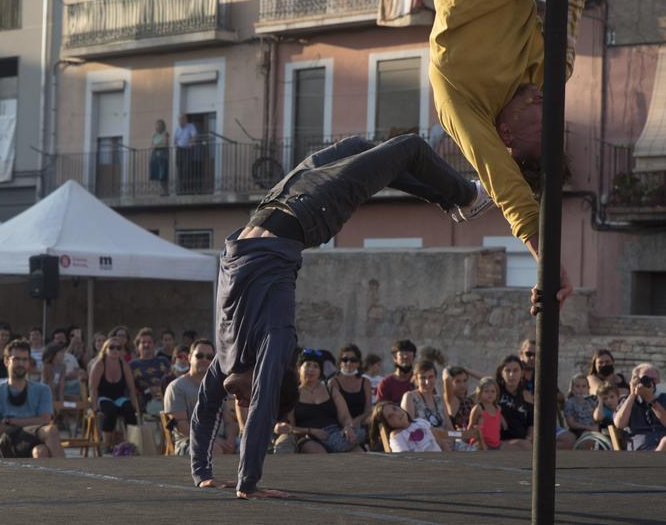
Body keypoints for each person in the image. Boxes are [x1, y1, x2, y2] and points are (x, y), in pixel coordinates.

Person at [191, 132, 489, 499]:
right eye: (244, 401)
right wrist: (248, 483)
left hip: (278, 197)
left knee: (363, 146)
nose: (236, 401)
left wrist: (202, 473)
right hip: (311, 210)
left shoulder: (225, 356)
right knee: (409, 147)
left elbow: (205, 410)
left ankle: (452, 200)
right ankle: (468, 198)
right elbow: (264, 406)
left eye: (241, 400)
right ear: (264, 384)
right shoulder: (276, 336)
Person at [431, 0, 604, 312]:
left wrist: (549, 265)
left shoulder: (459, 105)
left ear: (507, 136)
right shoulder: (552, 71)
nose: (551, 105)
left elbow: (511, 196)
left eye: (543, 124)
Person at [0, 339, 62, 458]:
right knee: (50, 431)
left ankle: (64, 475)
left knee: (42, 451)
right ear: (6, 361)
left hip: (34, 439)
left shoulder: (42, 390)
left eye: (25, 359)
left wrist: (13, 421)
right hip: (8, 442)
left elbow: (45, 420)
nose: (21, 364)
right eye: (16, 359)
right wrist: (30, 423)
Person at [274, 349, 359, 455]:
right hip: (307, 437)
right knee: (319, 453)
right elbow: (290, 428)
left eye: (316, 366)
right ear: (298, 369)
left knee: (359, 453)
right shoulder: (293, 394)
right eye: (308, 365)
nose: (311, 369)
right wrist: (311, 431)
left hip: (335, 434)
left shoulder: (330, 389)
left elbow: (345, 417)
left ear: (320, 371)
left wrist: (348, 427)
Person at [165, 339, 232, 457]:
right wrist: (213, 440)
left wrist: (230, 441)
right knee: (213, 449)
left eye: (209, 357)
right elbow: (182, 426)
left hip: (220, 439)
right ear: (189, 357)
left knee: (251, 446)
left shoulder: (219, 387)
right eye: (199, 356)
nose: (204, 360)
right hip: (188, 442)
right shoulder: (176, 387)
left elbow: (229, 422)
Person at [613, 363, 666, 452]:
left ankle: (655, 460)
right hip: (641, 453)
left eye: (654, 379)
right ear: (635, 381)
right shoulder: (626, 401)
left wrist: (652, 400)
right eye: (645, 379)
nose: (650, 382)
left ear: (659, 381)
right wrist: (632, 395)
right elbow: (619, 424)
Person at [89, 336, 139, 448]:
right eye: (112, 347)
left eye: (118, 348)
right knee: (110, 411)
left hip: (120, 398)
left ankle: (132, 443)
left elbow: (131, 387)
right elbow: (93, 388)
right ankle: (107, 444)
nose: (115, 350)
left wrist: (134, 405)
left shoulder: (124, 365)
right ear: (105, 349)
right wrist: (94, 407)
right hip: (103, 397)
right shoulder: (99, 364)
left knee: (129, 410)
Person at [401, 360, 457, 449]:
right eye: (423, 378)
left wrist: (453, 438)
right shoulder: (410, 397)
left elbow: (450, 429)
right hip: (425, 447)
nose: (427, 382)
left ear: (435, 378)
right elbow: (408, 428)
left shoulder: (439, 400)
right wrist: (438, 440)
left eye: (431, 377)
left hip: (447, 446)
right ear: (416, 380)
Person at [130, 328, 171, 416]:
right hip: (144, 402)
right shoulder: (132, 365)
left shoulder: (163, 361)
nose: (146, 345)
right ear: (138, 346)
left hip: (165, 399)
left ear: (154, 345)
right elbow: (130, 387)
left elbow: (171, 379)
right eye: (143, 342)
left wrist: (160, 389)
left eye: (149, 342)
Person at [496, 355, 533, 450]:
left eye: (515, 370)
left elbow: (531, 423)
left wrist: (529, 438)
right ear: (501, 373)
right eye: (507, 371)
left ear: (522, 373)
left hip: (522, 442)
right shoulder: (494, 391)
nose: (511, 375)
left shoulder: (527, 396)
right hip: (498, 441)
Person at [376, 339, 419, 403]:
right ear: (395, 358)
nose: (405, 357)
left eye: (409, 354)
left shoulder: (420, 380)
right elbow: (381, 409)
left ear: (414, 357)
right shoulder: (386, 384)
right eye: (401, 354)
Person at [468, 377, 505, 450]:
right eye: (486, 391)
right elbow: (470, 427)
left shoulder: (497, 408)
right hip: (480, 443)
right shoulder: (478, 408)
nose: (490, 394)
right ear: (480, 392)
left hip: (495, 443)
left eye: (493, 391)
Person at [563, 373, 597, 443]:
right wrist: (589, 428)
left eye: (584, 386)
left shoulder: (592, 401)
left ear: (588, 388)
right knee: (588, 436)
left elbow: (598, 417)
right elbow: (571, 423)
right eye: (577, 386)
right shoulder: (570, 403)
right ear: (572, 388)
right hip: (578, 431)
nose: (581, 389)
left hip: (593, 429)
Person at [443, 366, 474, 431]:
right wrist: (446, 370)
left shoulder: (470, 400)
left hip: (472, 437)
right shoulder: (452, 400)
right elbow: (446, 379)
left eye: (465, 381)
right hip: (459, 438)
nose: (462, 385)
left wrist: (465, 369)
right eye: (457, 381)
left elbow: (488, 380)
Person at [174, 114, 198, 193]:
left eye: (182, 120)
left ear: (185, 120)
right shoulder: (177, 129)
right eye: (179, 120)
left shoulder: (190, 126)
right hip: (179, 150)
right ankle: (180, 188)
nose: (180, 122)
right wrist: (176, 144)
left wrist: (192, 142)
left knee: (186, 168)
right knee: (179, 168)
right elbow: (175, 139)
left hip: (187, 150)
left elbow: (194, 136)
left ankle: (186, 188)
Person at [150, 119, 171, 195]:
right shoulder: (153, 134)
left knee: (163, 174)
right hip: (155, 156)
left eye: (159, 125)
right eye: (157, 125)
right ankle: (163, 191)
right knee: (158, 174)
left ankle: (166, 191)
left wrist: (157, 146)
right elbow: (151, 145)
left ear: (163, 126)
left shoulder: (166, 133)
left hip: (163, 156)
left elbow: (165, 144)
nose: (157, 126)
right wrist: (156, 146)